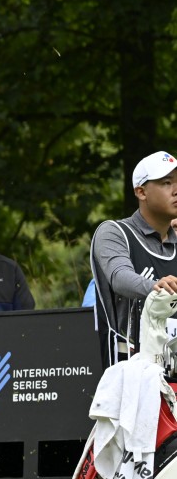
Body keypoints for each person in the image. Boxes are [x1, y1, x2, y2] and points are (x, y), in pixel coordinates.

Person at [90, 150, 177, 368]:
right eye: (167, 183)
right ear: (141, 192)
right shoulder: (114, 231)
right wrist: (156, 287)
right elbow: (120, 277)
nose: (176, 190)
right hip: (129, 373)